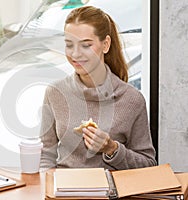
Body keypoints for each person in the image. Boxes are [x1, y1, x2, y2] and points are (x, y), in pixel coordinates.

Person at [39, 6, 157, 170]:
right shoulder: (55, 93)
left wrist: (112, 149)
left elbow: (149, 164)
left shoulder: (132, 100)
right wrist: (49, 187)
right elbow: (45, 155)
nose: (75, 54)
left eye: (86, 45)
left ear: (105, 44)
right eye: (69, 44)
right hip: (64, 192)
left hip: (113, 193)